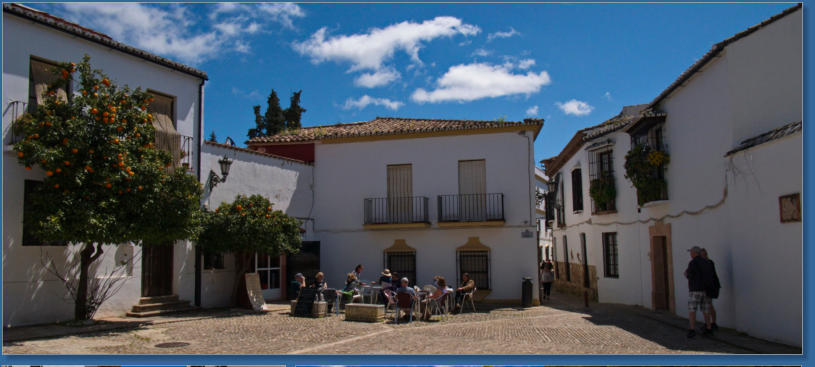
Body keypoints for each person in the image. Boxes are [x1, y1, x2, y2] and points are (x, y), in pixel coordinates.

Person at [684, 246, 713, 338]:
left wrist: (686, 274)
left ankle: (692, 329)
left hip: (695, 289)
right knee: (706, 310)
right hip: (706, 290)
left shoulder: (693, 263)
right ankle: (709, 328)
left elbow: (690, 274)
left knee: (692, 310)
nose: (690, 254)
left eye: (691, 252)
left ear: (695, 253)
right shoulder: (707, 262)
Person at [700, 248, 721, 330]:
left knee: (706, 306)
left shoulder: (706, 263)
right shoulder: (710, 262)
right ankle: (713, 323)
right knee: (710, 306)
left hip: (708, 287)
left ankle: (708, 325)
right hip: (712, 286)